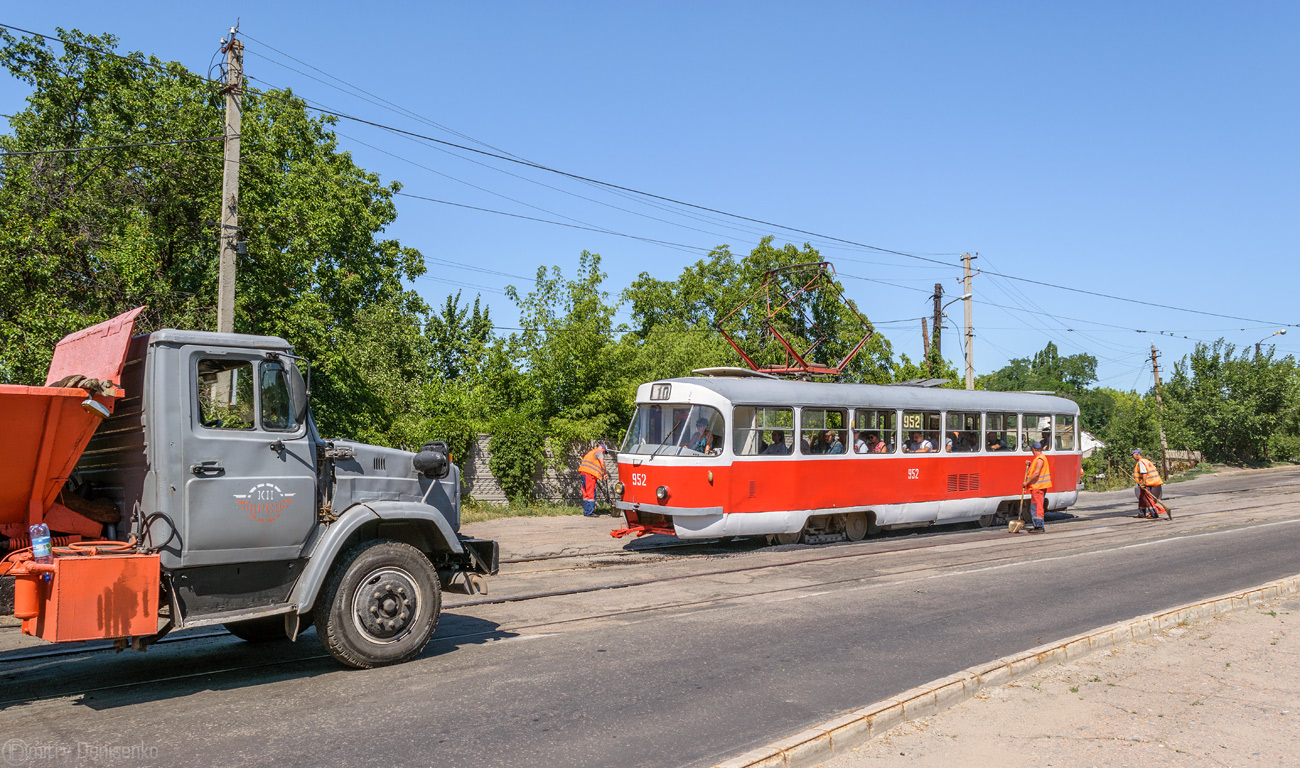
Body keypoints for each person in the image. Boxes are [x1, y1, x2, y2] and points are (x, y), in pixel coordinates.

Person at [1022, 441, 1052, 532]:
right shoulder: (1040, 458)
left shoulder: (1040, 459)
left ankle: (1038, 526)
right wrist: (1029, 465)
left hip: (1038, 487)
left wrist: (1027, 483)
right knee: (1036, 506)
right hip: (1039, 486)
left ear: (1034, 449)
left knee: (1036, 507)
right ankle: (1038, 526)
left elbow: (1036, 473)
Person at [1132, 448, 1164, 518]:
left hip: (1146, 483)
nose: (1133, 457)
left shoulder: (1141, 462)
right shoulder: (1146, 461)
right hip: (1149, 482)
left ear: (1137, 455)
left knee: (1148, 498)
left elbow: (1144, 473)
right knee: (1142, 497)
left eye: (1133, 455)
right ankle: (1141, 513)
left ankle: (1154, 513)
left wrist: (1143, 483)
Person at [578, 444, 608, 517]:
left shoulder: (590, 452)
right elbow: (602, 463)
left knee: (585, 493)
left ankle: (586, 511)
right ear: (602, 448)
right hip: (589, 474)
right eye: (604, 452)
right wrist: (605, 473)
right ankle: (590, 512)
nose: (603, 453)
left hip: (583, 473)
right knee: (591, 493)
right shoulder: (599, 452)